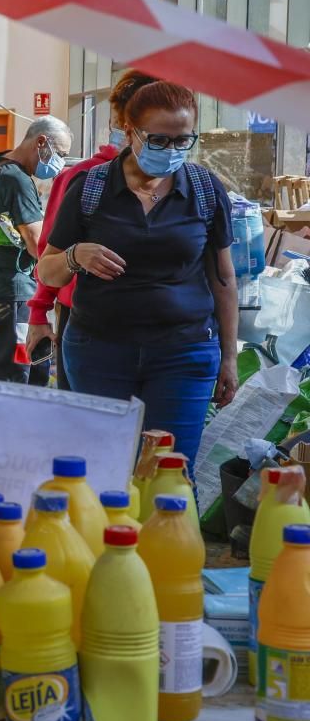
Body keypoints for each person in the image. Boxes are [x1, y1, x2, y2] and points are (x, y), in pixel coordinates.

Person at [38, 80, 239, 466]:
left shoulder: (205, 190)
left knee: (170, 475)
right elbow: (48, 271)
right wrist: (75, 256)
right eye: (160, 140)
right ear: (130, 132)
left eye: (184, 141)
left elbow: (223, 280)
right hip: (98, 352)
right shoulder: (90, 187)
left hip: (184, 353)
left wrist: (228, 356)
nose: (173, 151)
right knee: (104, 471)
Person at [26, 73, 157, 391]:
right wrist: (39, 312)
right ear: (125, 125)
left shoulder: (188, 186)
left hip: (161, 329)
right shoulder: (84, 180)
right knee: (87, 421)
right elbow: (51, 253)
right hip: (87, 320)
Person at [0, 116, 72, 385]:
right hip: (15, 291)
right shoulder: (17, 180)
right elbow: (37, 243)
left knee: (24, 362)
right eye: (60, 154)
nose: (60, 162)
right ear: (41, 142)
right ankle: (12, 423)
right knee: (19, 367)